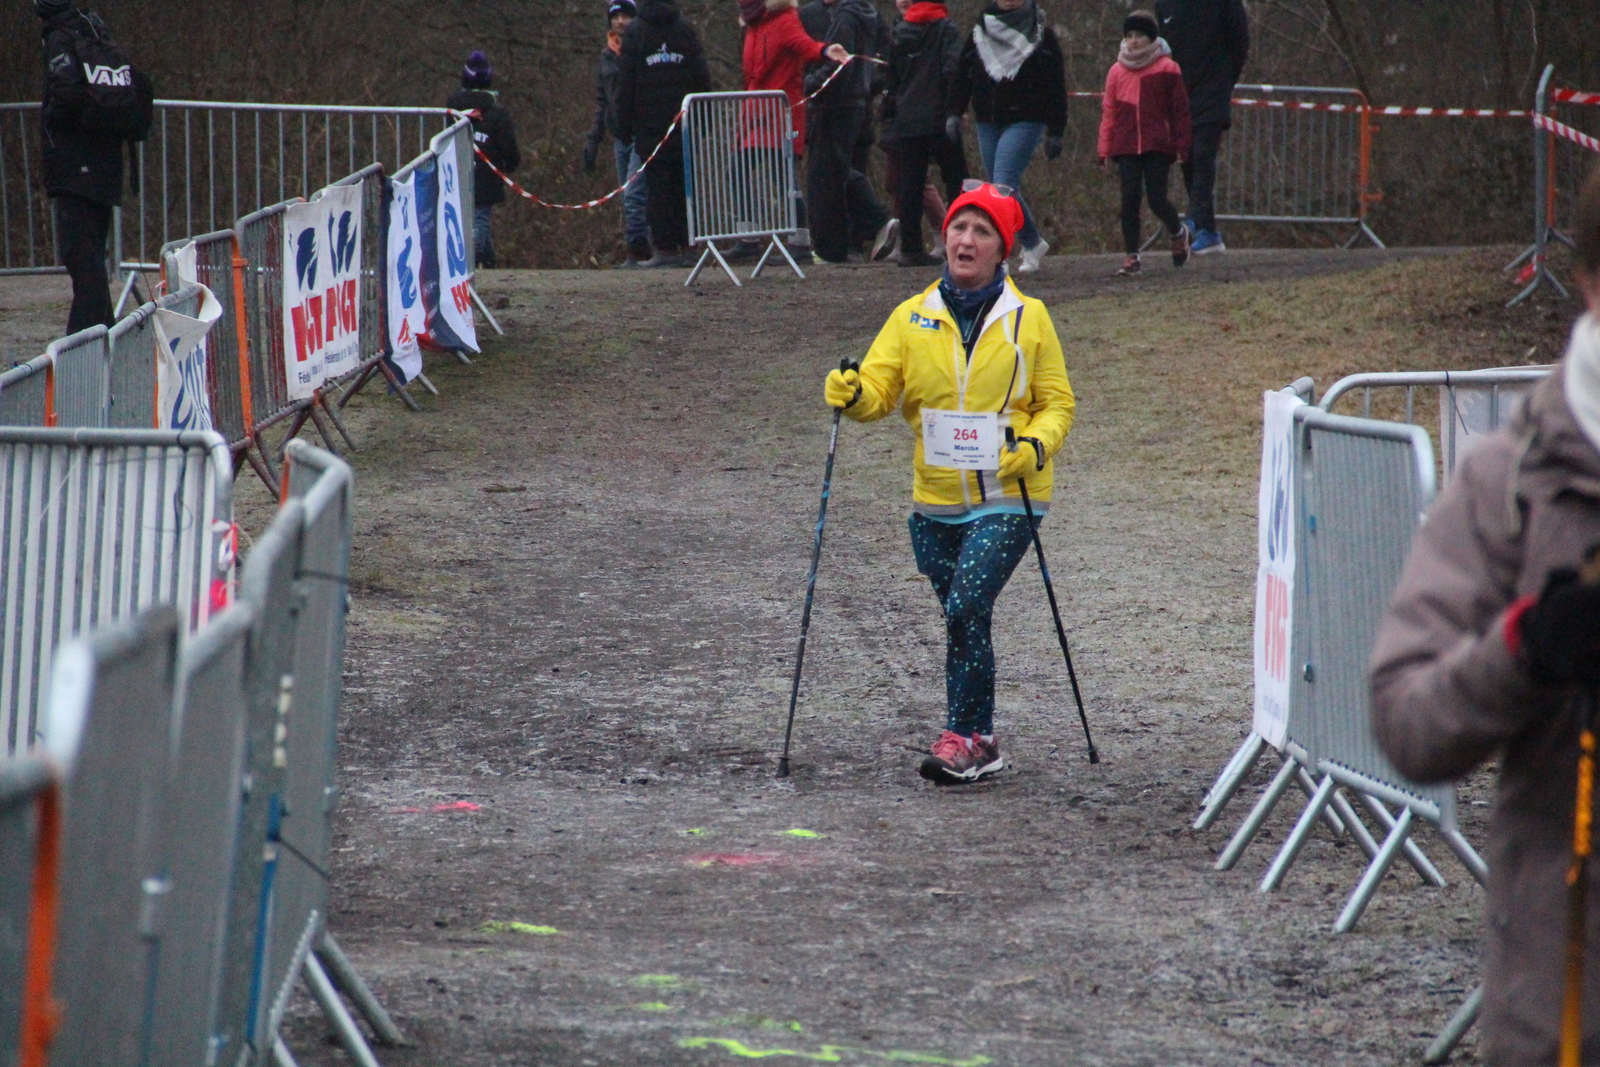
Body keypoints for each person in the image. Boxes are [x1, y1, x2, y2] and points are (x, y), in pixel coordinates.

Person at [1370, 162, 1600, 1066]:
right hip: (1564, 1007)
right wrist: (1526, 648)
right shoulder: (1509, 482)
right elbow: (1406, 718)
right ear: (1589, 284)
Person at [823, 182, 1075, 782]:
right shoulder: (912, 315)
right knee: (966, 620)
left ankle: (961, 737)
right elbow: (879, 391)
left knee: (966, 606)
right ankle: (983, 741)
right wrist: (852, 394)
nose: (965, 240)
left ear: (1002, 249)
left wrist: (1035, 446)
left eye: (981, 232)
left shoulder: (1029, 318)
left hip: (1008, 495)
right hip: (934, 503)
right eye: (958, 228)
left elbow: (1057, 404)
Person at [948, 0, 1065, 274]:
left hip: (1027, 118)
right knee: (1000, 189)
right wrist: (954, 111)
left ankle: (998, 254)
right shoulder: (981, 29)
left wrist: (1056, 130)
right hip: (987, 120)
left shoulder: (1041, 34)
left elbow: (1056, 84)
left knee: (1003, 185)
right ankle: (1033, 242)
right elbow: (962, 74)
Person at [38, 0, 129, 332]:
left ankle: (84, 338)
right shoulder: (94, 30)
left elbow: (66, 95)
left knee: (80, 255)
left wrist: (51, 124)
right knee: (90, 254)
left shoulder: (61, 38)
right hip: (105, 162)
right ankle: (102, 331)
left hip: (76, 165)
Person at [616, 0, 712, 267]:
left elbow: (626, 82)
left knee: (657, 188)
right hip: (684, 121)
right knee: (685, 185)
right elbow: (701, 75)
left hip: (650, 123)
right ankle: (689, 246)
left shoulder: (636, 31)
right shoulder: (685, 29)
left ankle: (665, 248)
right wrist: (703, 121)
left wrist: (623, 126)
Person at [799, 0, 895, 263]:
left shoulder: (846, 17)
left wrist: (809, 84)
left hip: (836, 103)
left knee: (829, 172)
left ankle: (874, 221)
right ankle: (841, 244)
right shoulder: (866, 12)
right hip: (854, 102)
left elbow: (839, 64)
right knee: (836, 172)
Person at [1096, 11, 1190, 278]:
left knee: (1157, 199)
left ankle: (1177, 231)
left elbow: (1180, 111)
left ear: (1151, 38)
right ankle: (1132, 256)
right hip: (1126, 144)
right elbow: (1109, 111)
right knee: (1129, 199)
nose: (1134, 41)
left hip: (1157, 143)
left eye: (1139, 35)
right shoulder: (1116, 71)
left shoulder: (1168, 68)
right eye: (1129, 36)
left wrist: (1182, 144)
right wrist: (1104, 149)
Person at [1155, 0, 1248, 254]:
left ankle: (1193, 222)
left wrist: (1225, 81)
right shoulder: (1164, 5)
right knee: (1187, 159)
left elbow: (1240, 41)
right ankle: (1209, 231)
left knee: (1203, 156)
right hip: (1182, 93)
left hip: (1212, 89)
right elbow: (1163, 49)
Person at [879, 0, 967, 268]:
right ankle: (961, 242)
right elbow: (953, 70)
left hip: (907, 118)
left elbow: (890, 77)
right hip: (939, 117)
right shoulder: (946, 30)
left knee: (910, 184)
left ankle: (911, 247)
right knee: (957, 180)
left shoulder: (901, 32)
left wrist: (891, 111)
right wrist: (956, 109)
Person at [584, 0, 654, 267]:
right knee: (627, 196)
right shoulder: (606, 56)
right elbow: (602, 101)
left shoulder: (642, 49)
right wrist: (593, 139)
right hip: (619, 135)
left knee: (635, 193)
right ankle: (642, 248)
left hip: (641, 132)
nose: (621, 21)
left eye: (626, 16)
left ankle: (639, 252)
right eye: (616, 17)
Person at [447, 51, 520, 269]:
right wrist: (509, 165)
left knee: (474, 219)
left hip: (456, 172)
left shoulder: (450, 109)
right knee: (479, 220)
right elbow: (509, 146)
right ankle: (477, 260)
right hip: (488, 176)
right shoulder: (498, 112)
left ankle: (488, 262)